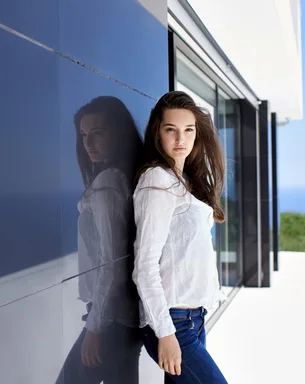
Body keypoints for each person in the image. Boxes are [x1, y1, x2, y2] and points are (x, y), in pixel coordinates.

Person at [132, 91, 229, 383]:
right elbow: (145, 265)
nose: (180, 139)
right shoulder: (157, 181)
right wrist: (165, 333)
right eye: (170, 130)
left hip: (193, 319)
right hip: (173, 322)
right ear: (157, 133)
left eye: (189, 130)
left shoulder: (184, 181)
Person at [57, 96, 144, 384]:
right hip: (124, 317)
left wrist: (94, 329)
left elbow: (112, 264)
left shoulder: (108, 182)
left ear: (117, 133)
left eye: (98, 133)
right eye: (83, 135)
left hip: (111, 320)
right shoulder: (127, 176)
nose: (88, 144)